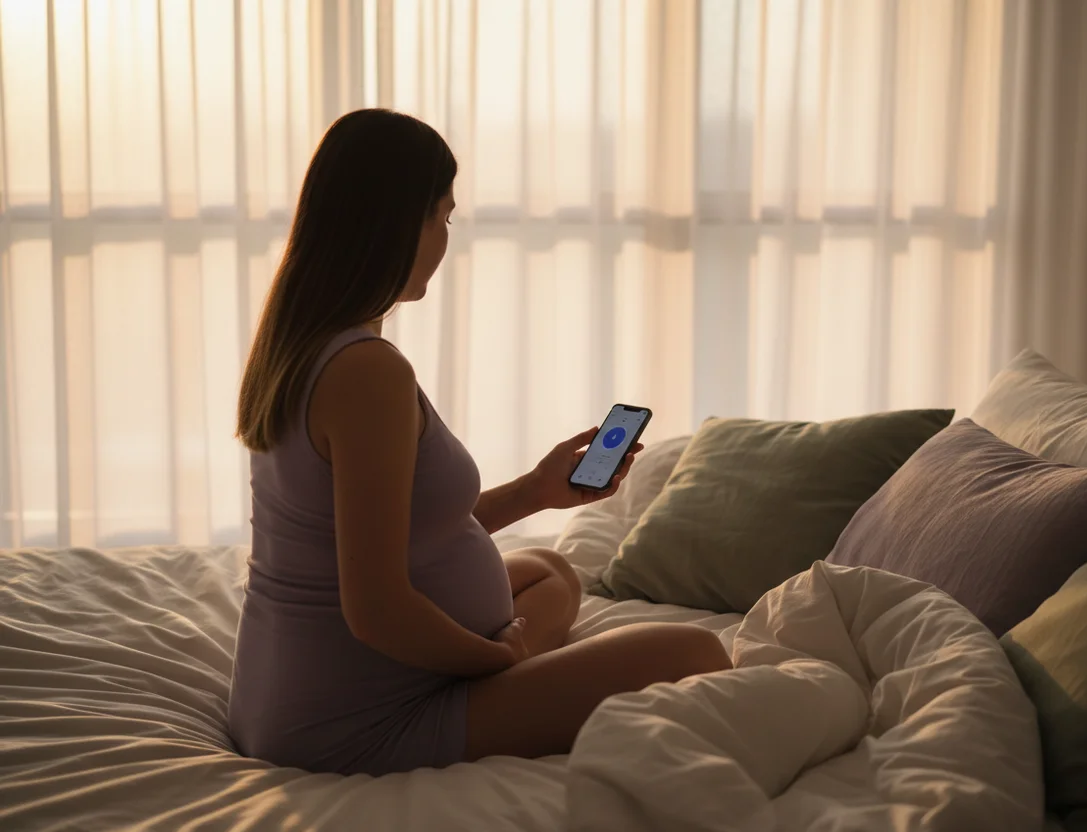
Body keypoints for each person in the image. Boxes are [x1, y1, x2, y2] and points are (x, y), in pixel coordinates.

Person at [228, 108, 732, 776]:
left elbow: (397, 534)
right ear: (395, 223)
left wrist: (534, 491)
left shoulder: (302, 347)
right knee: (694, 651)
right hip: (353, 718)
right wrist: (497, 656)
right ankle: (509, 671)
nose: (444, 237)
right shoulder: (367, 373)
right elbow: (375, 609)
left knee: (550, 572)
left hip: (286, 696)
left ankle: (510, 650)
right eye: (443, 216)